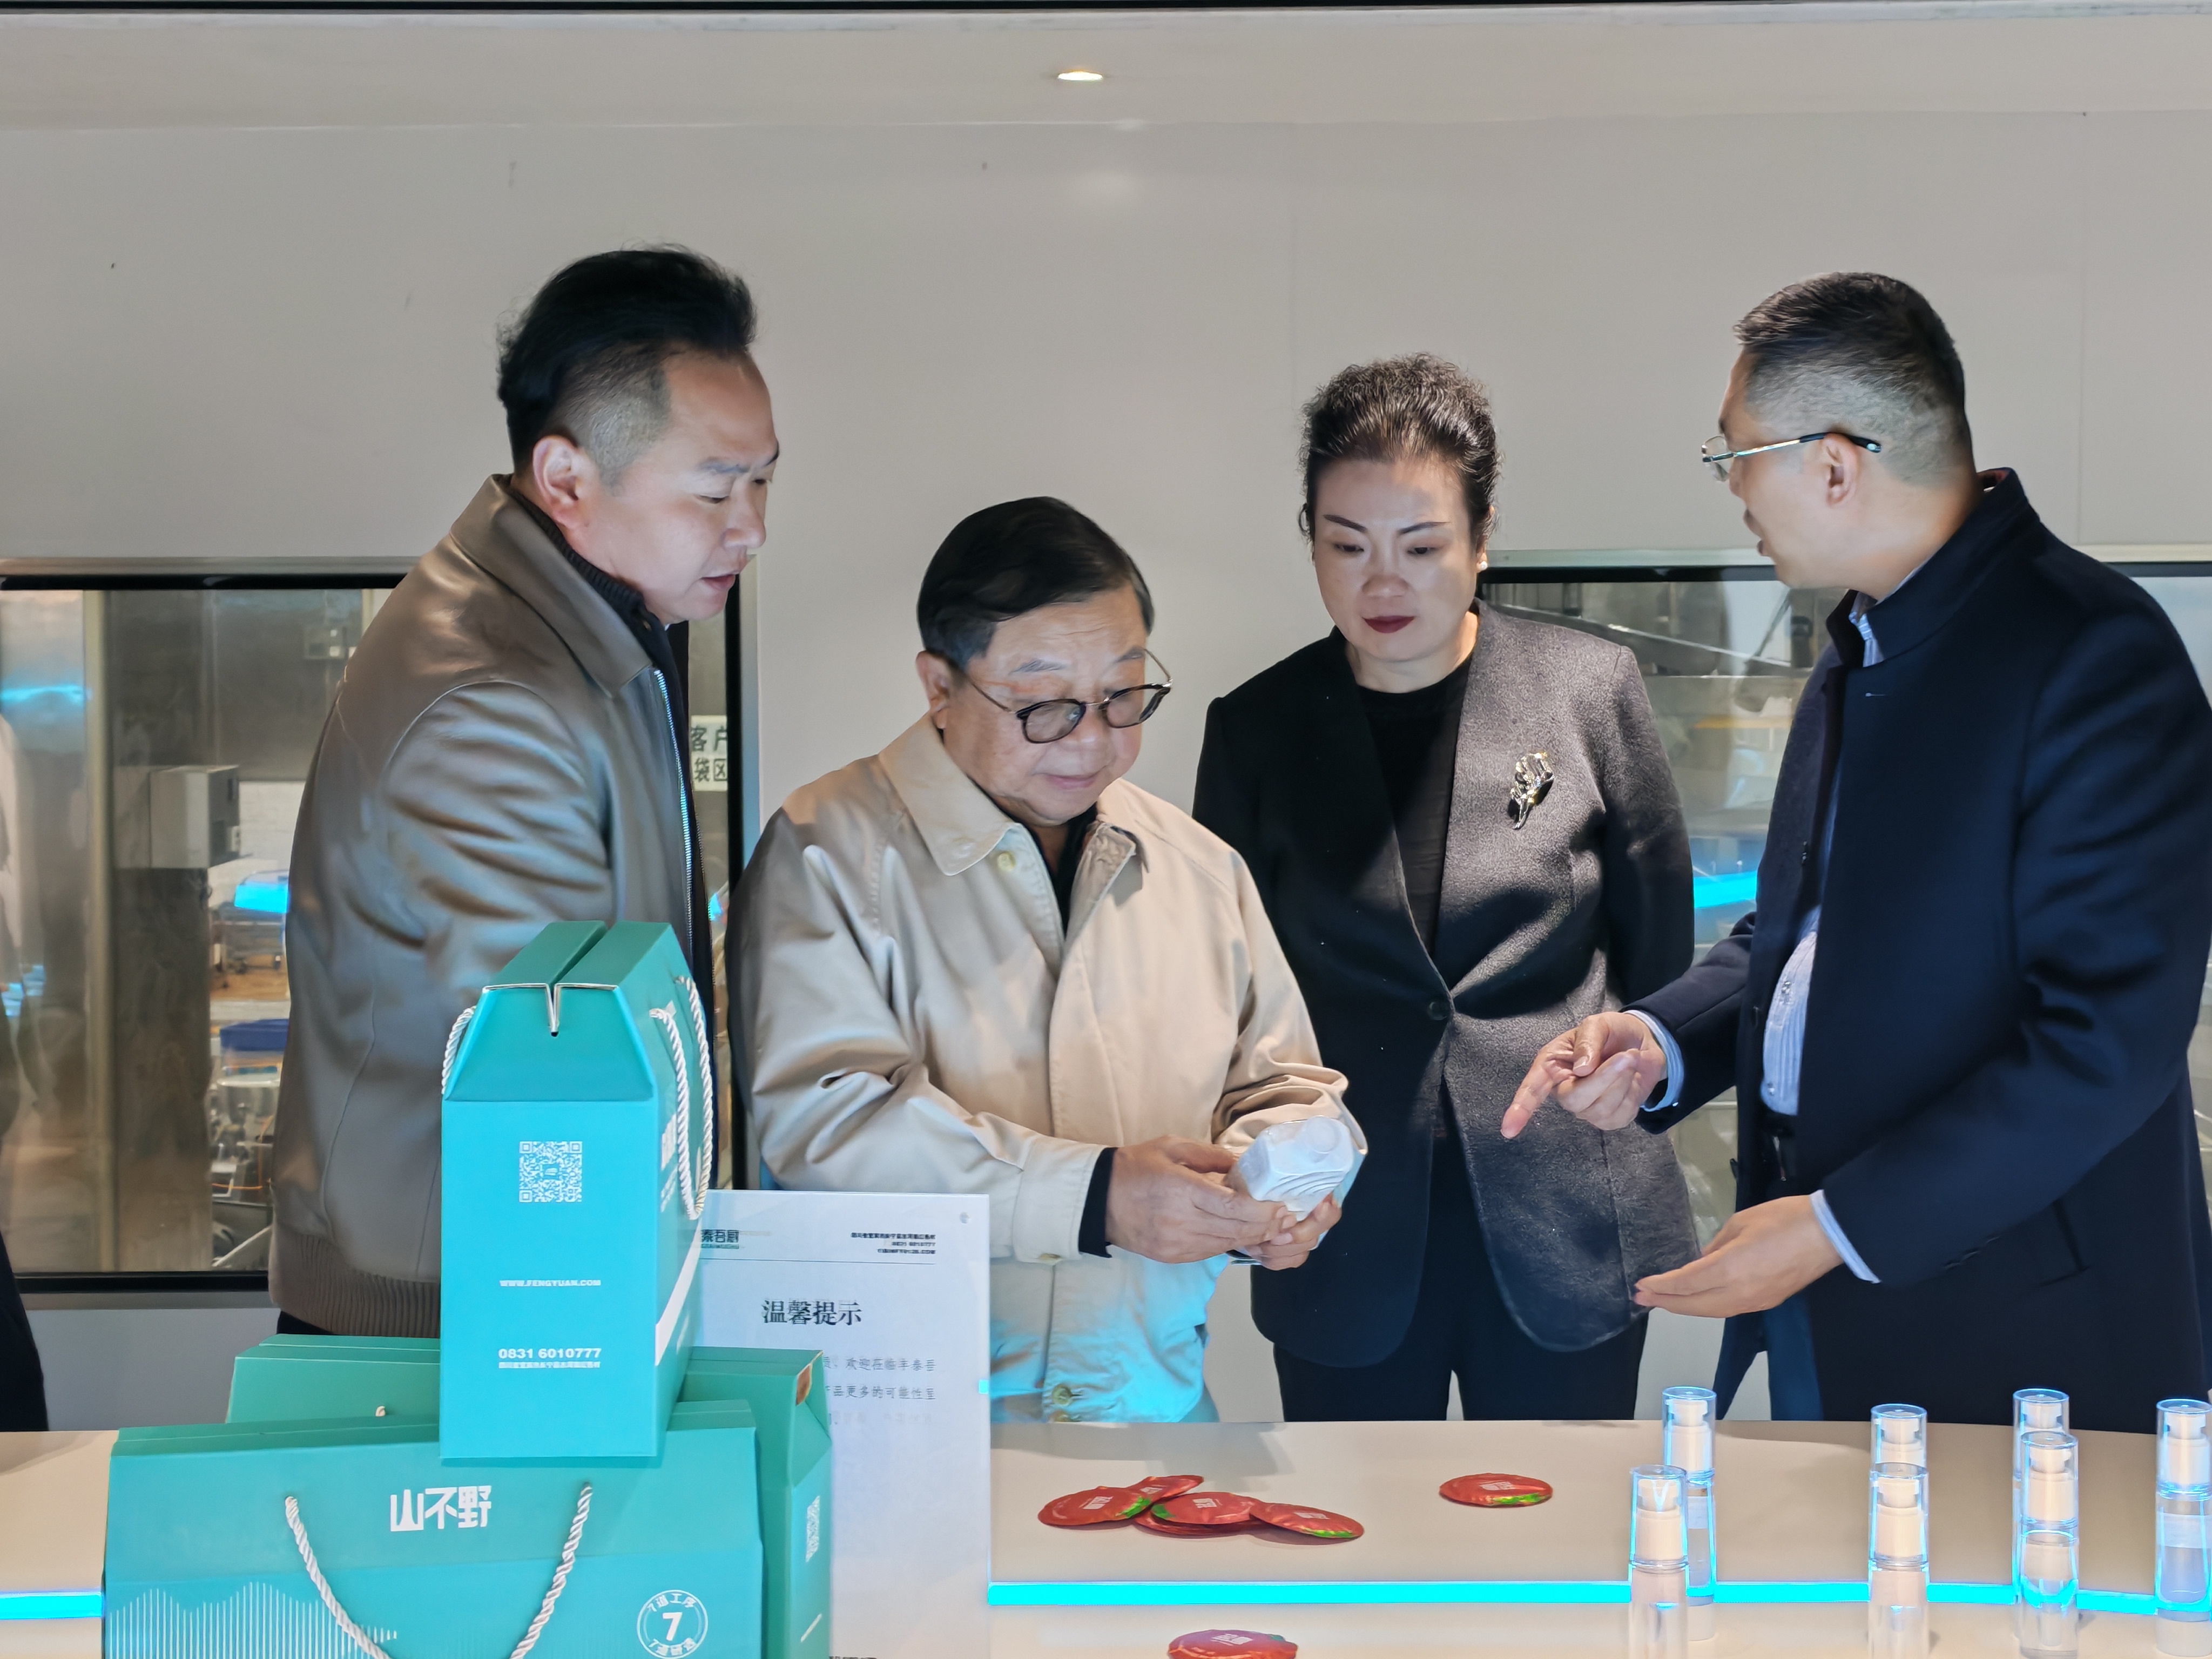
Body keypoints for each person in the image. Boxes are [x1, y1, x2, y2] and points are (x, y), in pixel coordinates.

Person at [1506, 272, 2212, 1431]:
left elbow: (2105, 1043)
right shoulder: (1863, 644)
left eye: (1735, 454)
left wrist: (1839, 1227)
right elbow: (1802, 933)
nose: (1731, 485)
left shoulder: (2093, 654)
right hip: (1826, 1273)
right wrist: (1658, 1040)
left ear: (1833, 465)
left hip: (2021, 1320)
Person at [738, 497, 1360, 1423]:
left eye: (1123, 695)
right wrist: (1095, 1198)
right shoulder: (827, 850)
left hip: (1153, 1412)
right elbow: (826, 1126)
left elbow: (1281, 1085)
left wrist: (1275, 1191)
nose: (1093, 739)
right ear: (939, 687)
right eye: (1044, 705)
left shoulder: (1198, 867)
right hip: (919, 1429)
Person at [272, 247, 777, 1336]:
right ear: (565, 478)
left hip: (506, 1288)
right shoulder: (491, 696)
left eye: (761, 482)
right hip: (454, 1319)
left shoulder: (593, 633)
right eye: (714, 489)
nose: (750, 525)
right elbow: (555, 1074)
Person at [1193, 355, 1696, 1421]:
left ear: (1480, 537)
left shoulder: (1588, 688)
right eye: (1347, 547)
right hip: (1344, 1229)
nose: (1384, 586)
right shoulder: (1254, 730)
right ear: (1309, 538)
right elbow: (1224, 994)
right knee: (1355, 1522)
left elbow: (1656, 953)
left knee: (1563, 1520)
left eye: (1421, 547)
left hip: (1565, 1210)